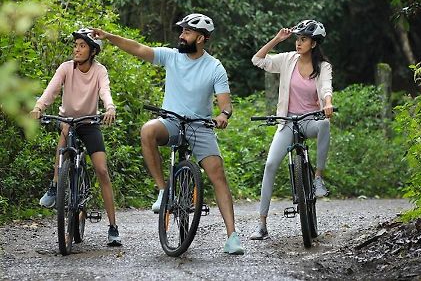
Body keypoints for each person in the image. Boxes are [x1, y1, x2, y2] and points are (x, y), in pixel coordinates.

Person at [91, 13, 244, 255]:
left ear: (201, 38)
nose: (181, 36)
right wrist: (108, 36)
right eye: (181, 31)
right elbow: (138, 49)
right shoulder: (172, 56)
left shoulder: (215, 67)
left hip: (200, 125)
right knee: (148, 129)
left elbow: (225, 102)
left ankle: (232, 237)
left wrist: (223, 115)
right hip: (171, 122)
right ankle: (164, 190)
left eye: (187, 32)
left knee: (218, 174)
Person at [30, 28, 122, 246]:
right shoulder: (65, 68)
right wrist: (38, 107)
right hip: (69, 121)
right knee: (63, 142)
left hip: (90, 123)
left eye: (82, 46)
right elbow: (50, 91)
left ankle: (113, 227)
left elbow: (105, 91)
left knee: (101, 170)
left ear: (92, 51)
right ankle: (55, 186)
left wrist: (109, 107)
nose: (77, 49)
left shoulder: (99, 71)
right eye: (76, 45)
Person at [249, 19, 334, 240]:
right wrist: (277, 39)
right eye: (297, 39)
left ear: (314, 44)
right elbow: (257, 60)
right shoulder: (287, 60)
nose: (298, 43)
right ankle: (262, 224)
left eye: (303, 39)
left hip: (310, 120)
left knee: (325, 124)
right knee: (270, 165)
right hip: (287, 122)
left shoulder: (323, 67)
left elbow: (326, 87)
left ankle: (317, 179)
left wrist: (327, 103)